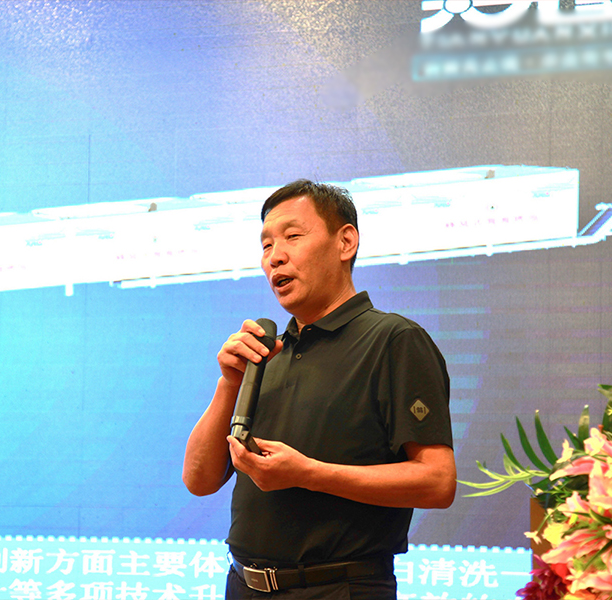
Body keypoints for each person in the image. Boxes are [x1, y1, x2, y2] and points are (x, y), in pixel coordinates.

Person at [182, 180, 456, 599]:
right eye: (266, 245)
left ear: (345, 242)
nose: (275, 256)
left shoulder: (393, 340)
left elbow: (437, 481)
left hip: (338, 587)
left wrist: (308, 474)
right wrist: (229, 382)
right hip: (243, 585)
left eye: (293, 236)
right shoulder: (266, 352)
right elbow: (199, 480)